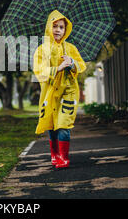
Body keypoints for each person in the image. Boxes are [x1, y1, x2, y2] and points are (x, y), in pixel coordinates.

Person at [33, 9, 86, 168]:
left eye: (61, 27)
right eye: (55, 26)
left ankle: (63, 157)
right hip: (50, 92)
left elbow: (81, 65)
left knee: (63, 124)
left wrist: (72, 64)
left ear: (66, 30)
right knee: (52, 124)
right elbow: (39, 71)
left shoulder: (70, 48)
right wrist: (57, 68)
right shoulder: (42, 50)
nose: (58, 30)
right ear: (49, 27)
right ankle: (54, 154)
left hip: (68, 92)